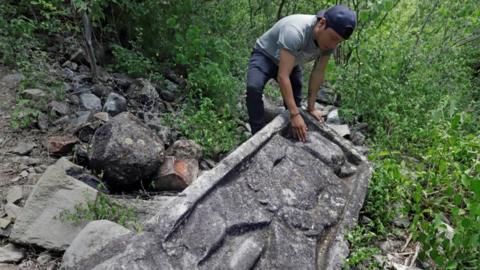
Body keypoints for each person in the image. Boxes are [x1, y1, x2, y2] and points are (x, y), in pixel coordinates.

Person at [245, 4, 356, 141]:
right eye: (333, 38)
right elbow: (283, 76)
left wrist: (311, 107)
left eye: (338, 42)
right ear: (322, 23)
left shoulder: (329, 42)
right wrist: (294, 114)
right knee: (254, 88)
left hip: (291, 60)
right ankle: (257, 134)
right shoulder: (296, 31)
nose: (333, 45)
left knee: (296, 95)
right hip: (266, 55)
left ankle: (293, 130)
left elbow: (318, 73)